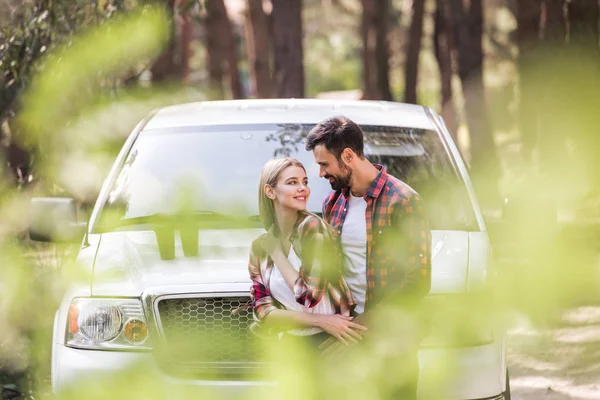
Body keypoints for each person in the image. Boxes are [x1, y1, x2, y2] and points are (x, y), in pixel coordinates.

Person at [305, 116, 432, 399]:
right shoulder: (332, 203)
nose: (321, 173)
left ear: (348, 156)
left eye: (324, 164)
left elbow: (417, 280)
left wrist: (362, 327)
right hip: (344, 338)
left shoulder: (402, 201)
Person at [248, 157, 366, 347]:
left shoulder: (313, 229)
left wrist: (277, 254)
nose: (303, 188)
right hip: (291, 342)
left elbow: (308, 296)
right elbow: (261, 311)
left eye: (305, 182)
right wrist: (319, 320)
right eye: (292, 182)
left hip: (331, 341)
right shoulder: (259, 247)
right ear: (270, 191)